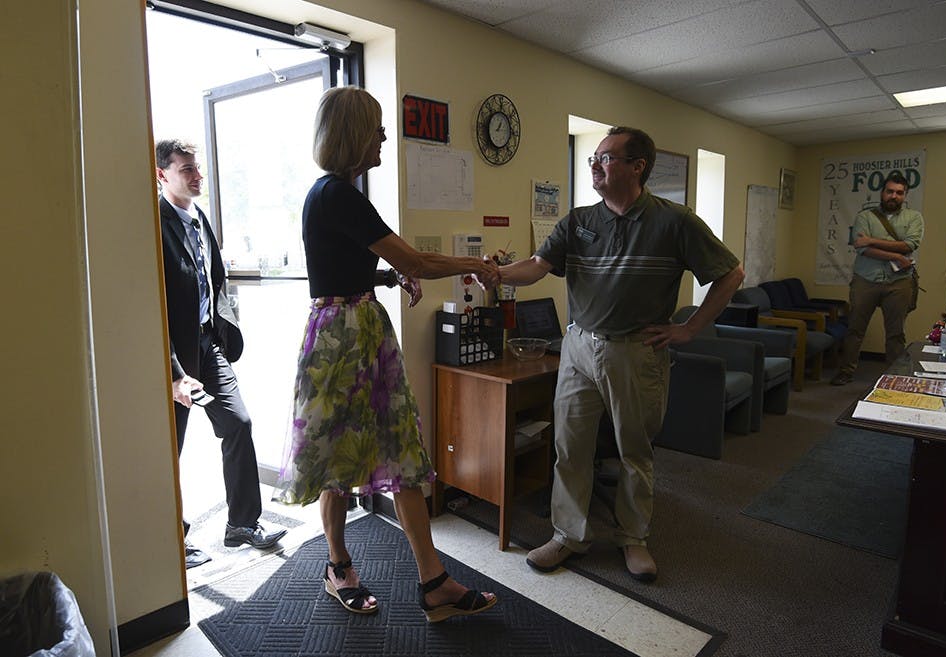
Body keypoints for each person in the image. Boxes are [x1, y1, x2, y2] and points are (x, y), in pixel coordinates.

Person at [272, 86, 500, 621]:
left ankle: (434, 582)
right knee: (335, 460)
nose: (382, 136)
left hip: (359, 330)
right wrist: (476, 267)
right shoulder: (334, 194)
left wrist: (385, 273)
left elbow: (345, 264)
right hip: (342, 341)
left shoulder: (338, 195)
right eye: (375, 127)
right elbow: (416, 260)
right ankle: (338, 567)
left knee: (400, 455)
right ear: (353, 133)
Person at [498, 127, 744, 582]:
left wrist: (690, 328)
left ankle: (633, 538)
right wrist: (491, 273)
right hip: (578, 346)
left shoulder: (675, 222)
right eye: (594, 157)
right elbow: (534, 268)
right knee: (569, 446)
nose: (595, 165)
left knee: (635, 450)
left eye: (606, 158)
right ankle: (568, 535)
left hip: (636, 351)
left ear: (637, 167)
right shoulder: (578, 222)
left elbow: (730, 273)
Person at [155, 139, 287, 568]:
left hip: (207, 345)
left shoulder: (200, 218)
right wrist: (174, 373)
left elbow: (215, 279)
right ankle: (171, 541)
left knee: (237, 422)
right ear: (162, 175)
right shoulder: (154, 222)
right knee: (167, 447)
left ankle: (242, 525)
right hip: (171, 355)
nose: (196, 176)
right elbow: (152, 303)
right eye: (186, 169)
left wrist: (222, 334)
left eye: (197, 168)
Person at [830, 173, 923, 385]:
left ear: (905, 195)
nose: (894, 196)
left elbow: (910, 244)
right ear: (882, 193)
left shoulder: (914, 218)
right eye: (890, 191)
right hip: (866, 280)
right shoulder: (865, 217)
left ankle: (894, 375)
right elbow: (862, 249)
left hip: (899, 282)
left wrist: (872, 240)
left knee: (896, 333)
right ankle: (846, 371)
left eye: (899, 193)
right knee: (855, 329)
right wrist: (896, 255)